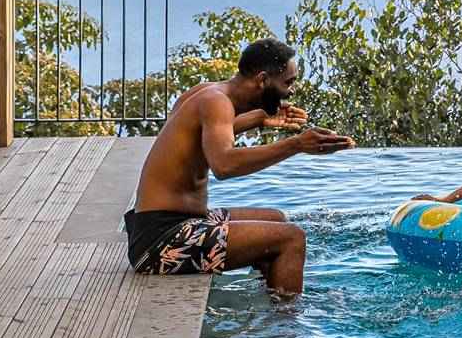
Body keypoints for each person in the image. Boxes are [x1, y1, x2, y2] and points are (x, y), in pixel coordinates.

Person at [124, 37, 353, 295]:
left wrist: (259, 118)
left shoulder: (207, 92)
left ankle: (270, 298)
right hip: (161, 242)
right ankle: (287, 317)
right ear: (263, 79)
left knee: (276, 219)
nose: (291, 91)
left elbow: (199, 134)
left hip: (160, 225)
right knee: (292, 238)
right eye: (288, 82)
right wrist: (296, 145)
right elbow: (224, 164)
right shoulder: (217, 102)